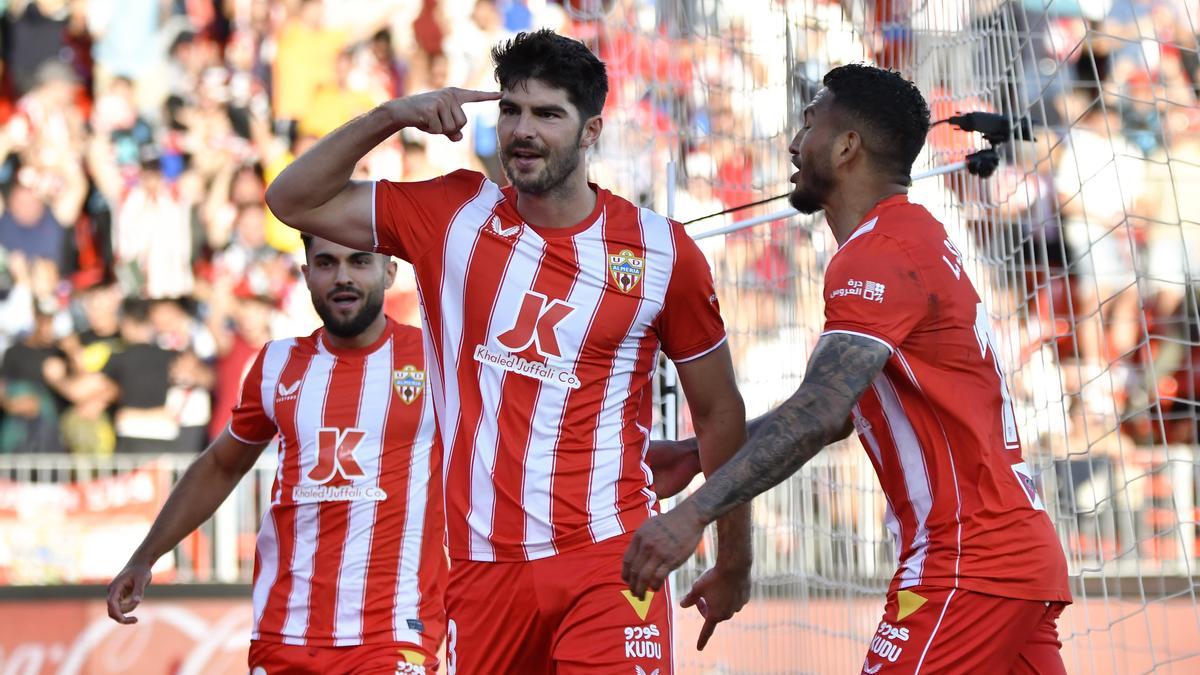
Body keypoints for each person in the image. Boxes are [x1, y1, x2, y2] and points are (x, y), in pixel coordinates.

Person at [266, 29, 750, 675]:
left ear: (591, 131)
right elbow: (291, 200)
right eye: (512, 110)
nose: (524, 130)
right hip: (480, 568)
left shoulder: (661, 252)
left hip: (608, 557)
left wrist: (735, 558)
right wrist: (389, 116)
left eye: (548, 114)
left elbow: (719, 412)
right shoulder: (451, 213)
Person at [621, 64, 1073, 674]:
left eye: (808, 124)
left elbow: (820, 409)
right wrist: (700, 453)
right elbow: (845, 411)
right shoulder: (913, 238)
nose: (791, 143)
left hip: (968, 560)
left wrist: (691, 515)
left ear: (846, 146)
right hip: (1005, 554)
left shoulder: (880, 254)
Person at [106, 234, 704, 674]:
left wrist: (667, 458)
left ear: (389, 269)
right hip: (283, 635)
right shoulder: (275, 366)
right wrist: (145, 555)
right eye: (326, 263)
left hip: (394, 637)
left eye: (359, 261)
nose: (343, 277)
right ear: (306, 274)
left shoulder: (446, 360)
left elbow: (537, 440)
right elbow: (220, 465)